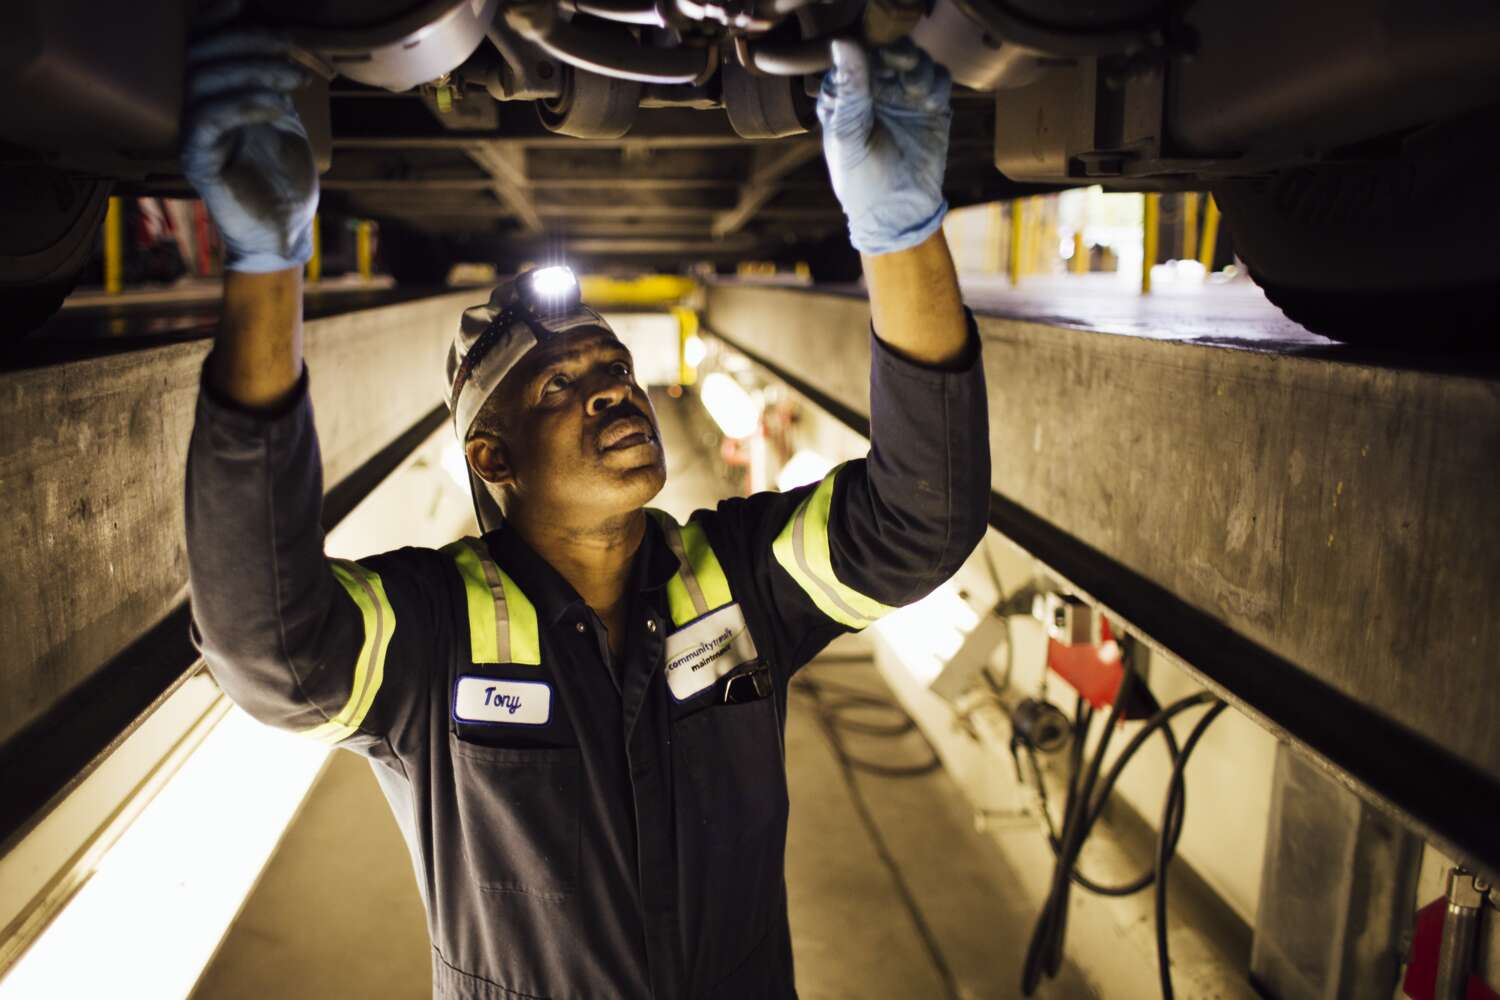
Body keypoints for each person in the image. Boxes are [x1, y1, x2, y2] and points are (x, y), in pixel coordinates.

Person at [182, 24, 990, 1000]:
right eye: (561, 383)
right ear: (492, 458)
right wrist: (265, 268)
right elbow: (268, 647)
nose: (612, 388)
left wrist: (901, 237)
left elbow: (919, 521)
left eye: (614, 366)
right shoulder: (436, 629)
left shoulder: (738, 579)